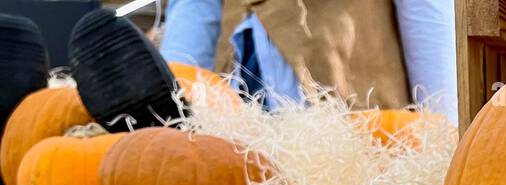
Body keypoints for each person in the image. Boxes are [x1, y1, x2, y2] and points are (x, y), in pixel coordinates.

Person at [160, 0, 457, 120]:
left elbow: (426, 8)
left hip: (352, 96)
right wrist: (171, 110)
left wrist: (443, 118)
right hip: (241, 92)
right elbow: (194, 8)